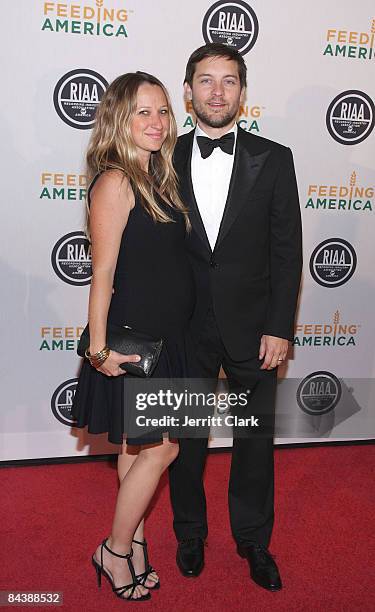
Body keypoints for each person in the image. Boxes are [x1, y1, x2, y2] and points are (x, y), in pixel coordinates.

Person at [169, 43, 303, 591]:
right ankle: (190, 534)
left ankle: (253, 541)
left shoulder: (275, 158)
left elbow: (286, 249)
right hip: (184, 326)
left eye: (228, 81)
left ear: (242, 94)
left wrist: (279, 327)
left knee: (255, 443)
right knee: (185, 440)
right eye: (206, 81)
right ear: (188, 92)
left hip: (254, 329)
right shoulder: (163, 157)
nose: (217, 92)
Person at [71, 71, 195, 601]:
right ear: (120, 118)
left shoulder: (160, 174)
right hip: (132, 342)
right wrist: (99, 350)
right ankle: (114, 550)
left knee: (136, 449)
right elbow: (101, 275)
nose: (156, 121)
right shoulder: (116, 180)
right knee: (163, 450)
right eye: (143, 111)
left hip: (170, 337)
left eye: (163, 111)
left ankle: (136, 541)